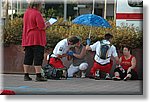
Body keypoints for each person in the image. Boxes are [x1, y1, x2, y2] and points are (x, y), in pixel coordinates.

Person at [22, 1, 50, 81]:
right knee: (38, 56)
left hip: (28, 37)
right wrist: (47, 25)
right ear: (38, 5)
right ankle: (38, 75)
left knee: (28, 56)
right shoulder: (37, 13)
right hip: (37, 38)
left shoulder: (26, 12)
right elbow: (41, 27)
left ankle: (26, 75)